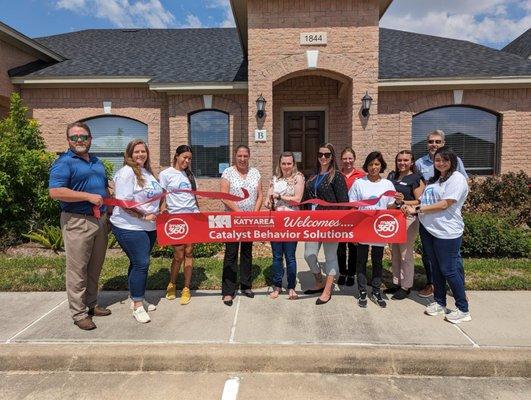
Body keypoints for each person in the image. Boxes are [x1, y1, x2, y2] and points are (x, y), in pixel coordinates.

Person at [48, 121, 111, 330]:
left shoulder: (96, 161)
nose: (79, 140)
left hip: (99, 220)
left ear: (90, 139)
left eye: (83, 136)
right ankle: (79, 313)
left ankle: (92, 304)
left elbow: (103, 189)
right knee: (77, 270)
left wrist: (111, 209)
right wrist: (87, 196)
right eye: (74, 137)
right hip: (77, 221)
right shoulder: (64, 162)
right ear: (68, 141)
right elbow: (55, 192)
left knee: (95, 266)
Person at [403, 146, 471, 324]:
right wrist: (406, 204)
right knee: (435, 269)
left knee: (449, 270)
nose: (440, 163)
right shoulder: (435, 180)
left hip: (447, 232)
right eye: (438, 160)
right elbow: (423, 201)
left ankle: (463, 309)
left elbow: (444, 204)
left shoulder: (457, 179)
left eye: (445, 160)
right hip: (429, 229)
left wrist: (417, 209)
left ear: (452, 161)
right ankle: (439, 302)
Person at [110, 139, 162, 323]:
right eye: (136, 152)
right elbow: (124, 202)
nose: (140, 154)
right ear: (129, 154)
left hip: (149, 226)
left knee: (137, 262)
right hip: (129, 226)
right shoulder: (126, 173)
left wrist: (157, 211)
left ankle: (135, 298)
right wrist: (143, 216)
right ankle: (138, 305)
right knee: (142, 263)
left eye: (143, 151)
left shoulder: (147, 172)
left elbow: (154, 196)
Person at [415, 129, 467, 297]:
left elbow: (461, 186)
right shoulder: (420, 163)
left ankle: (458, 288)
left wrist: (454, 205)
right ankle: (433, 286)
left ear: (443, 144)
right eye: (431, 142)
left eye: (438, 142)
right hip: (428, 219)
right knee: (429, 257)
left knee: (453, 259)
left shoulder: (455, 161)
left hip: (446, 218)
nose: (434, 145)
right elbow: (420, 190)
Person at [303, 143, 349, 305]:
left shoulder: (336, 176)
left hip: (331, 223)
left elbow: (344, 203)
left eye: (327, 155)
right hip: (313, 223)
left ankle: (327, 290)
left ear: (332, 157)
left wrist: (340, 223)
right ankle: (319, 280)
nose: (323, 157)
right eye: (320, 154)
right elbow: (305, 201)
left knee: (330, 257)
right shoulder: (312, 176)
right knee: (309, 254)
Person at [349, 151, 395, 308]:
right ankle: (362, 291)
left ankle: (376, 290)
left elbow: (390, 207)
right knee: (361, 261)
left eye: (376, 164)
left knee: (377, 260)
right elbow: (353, 207)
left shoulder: (388, 184)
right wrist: (354, 231)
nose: (374, 167)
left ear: (381, 165)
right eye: (370, 164)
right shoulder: (359, 183)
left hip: (379, 228)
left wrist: (399, 201)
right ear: (366, 166)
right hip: (362, 226)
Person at [220, 145, 263, 306]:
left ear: (249, 156)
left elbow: (260, 195)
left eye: (245, 156)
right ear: (235, 156)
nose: (242, 159)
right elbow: (224, 196)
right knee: (231, 254)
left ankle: (246, 286)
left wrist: (254, 214)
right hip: (233, 219)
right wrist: (239, 213)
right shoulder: (228, 173)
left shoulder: (255, 173)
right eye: (240, 156)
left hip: (249, 220)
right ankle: (228, 292)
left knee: (247, 252)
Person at [159, 145, 199, 305]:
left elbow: (194, 198)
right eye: (185, 157)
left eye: (189, 159)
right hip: (175, 218)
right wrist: (162, 211)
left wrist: (198, 214)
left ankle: (186, 288)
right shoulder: (165, 174)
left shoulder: (190, 175)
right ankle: (172, 284)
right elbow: (161, 196)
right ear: (176, 156)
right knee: (178, 254)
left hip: (192, 217)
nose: (187, 161)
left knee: (189, 252)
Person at [384, 150, 425, 300]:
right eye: (399, 160)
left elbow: (420, 201)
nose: (402, 163)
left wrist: (403, 202)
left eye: (405, 160)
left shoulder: (416, 178)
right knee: (394, 252)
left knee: (405, 254)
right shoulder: (392, 176)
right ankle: (397, 282)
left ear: (412, 162)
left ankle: (406, 286)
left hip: (408, 218)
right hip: (393, 219)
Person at [265, 152, 305, 300]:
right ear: (279, 164)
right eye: (284, 163)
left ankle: (291, 286)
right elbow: (269, 200)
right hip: (275, 222)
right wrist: (268, 202)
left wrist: (280, 196)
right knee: (276, 257)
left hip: (291, 222)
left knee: (290, 256)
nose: (286, 166)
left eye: (289, 163)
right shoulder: (274, 179)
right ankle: (276, 285)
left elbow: (298, 199)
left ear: (293, 164)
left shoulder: (298, 177)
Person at [336, 147, 365, 287]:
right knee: (340, 246)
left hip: (356, 215)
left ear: (354, 159)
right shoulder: (336, 175)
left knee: (353, 246)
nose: (347, 161)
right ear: (341, 160)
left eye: (350, 158)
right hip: (340, 215)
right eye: (345, 158)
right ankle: (342, 272)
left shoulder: (361, 175)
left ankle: (351, 273)